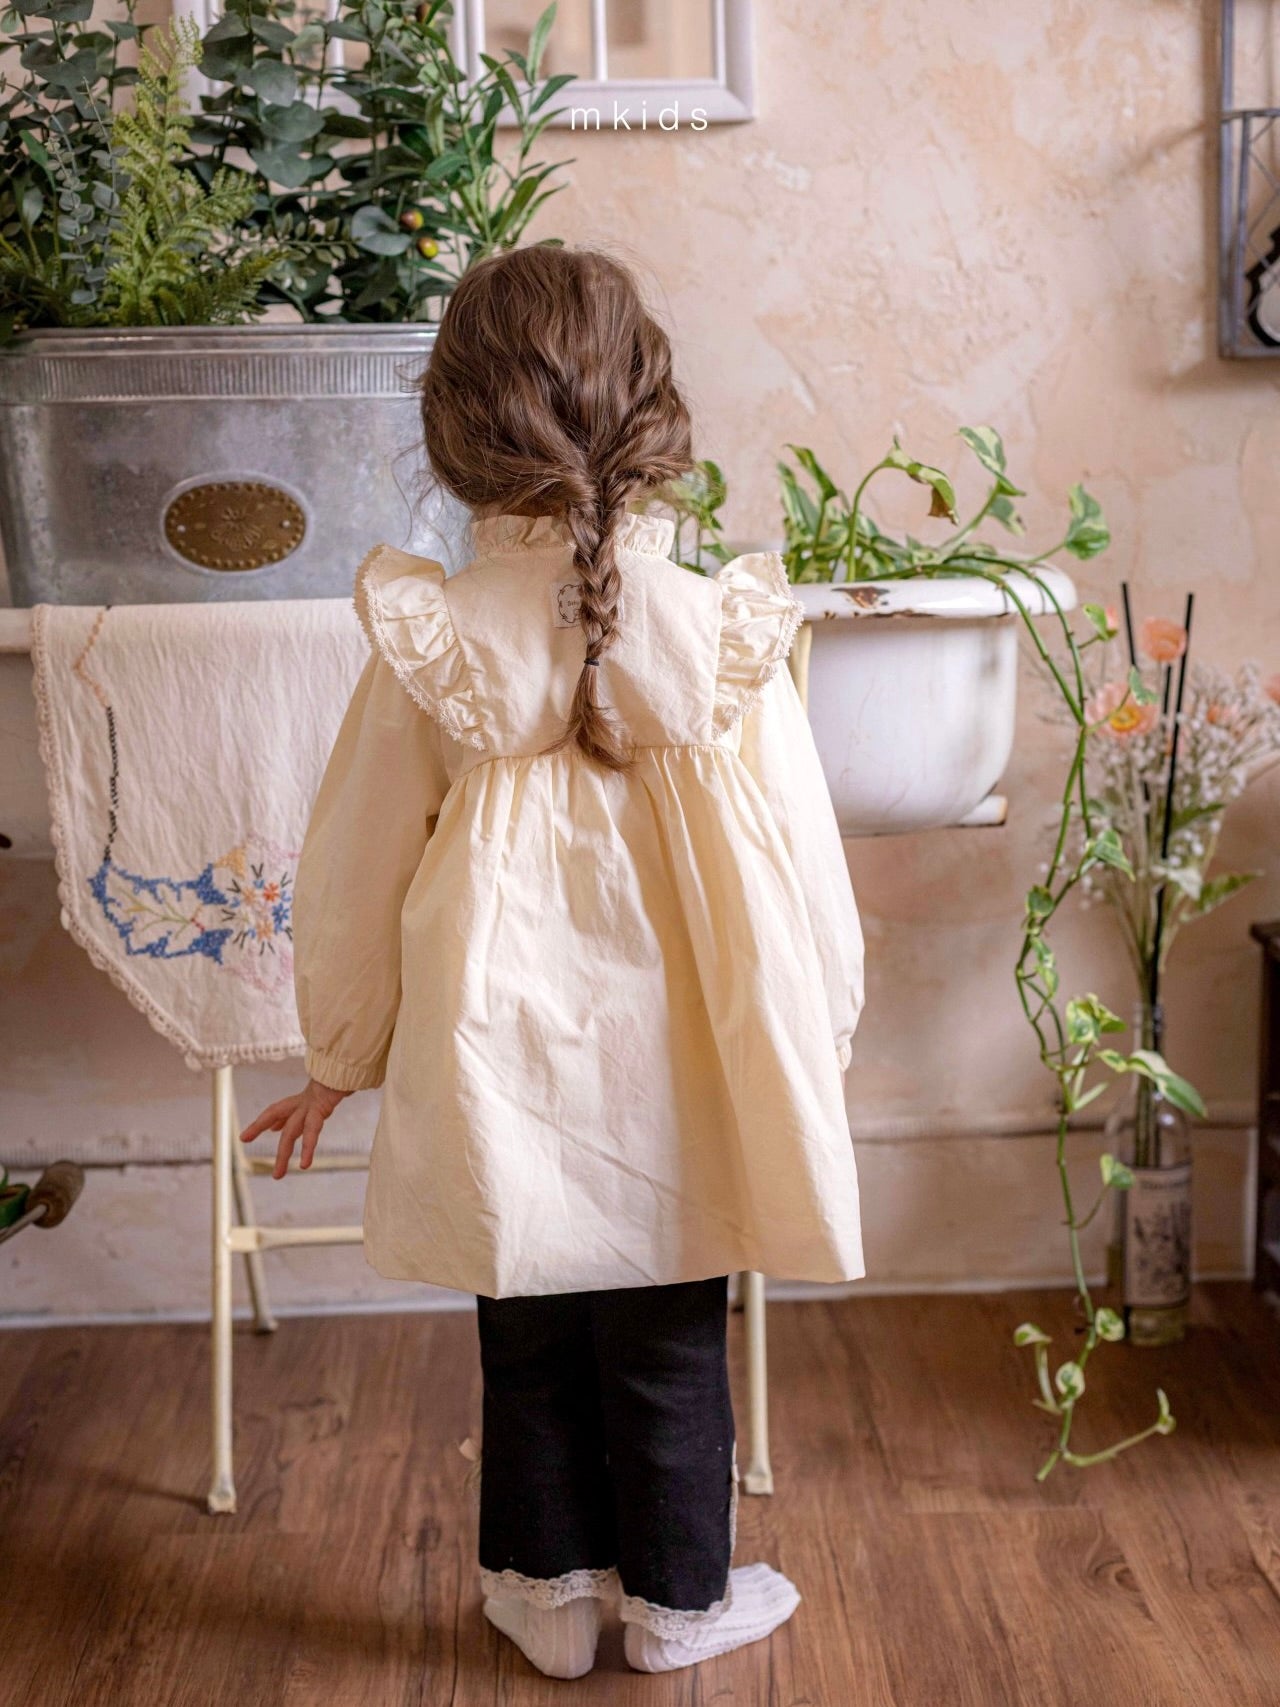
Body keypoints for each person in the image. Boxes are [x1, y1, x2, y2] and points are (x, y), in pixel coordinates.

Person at [239, 245, 865, 1679]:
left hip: (499, 1064)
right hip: (684, 1074)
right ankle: (679, 1603)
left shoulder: (438, 640)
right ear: (652, 410)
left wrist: (340, 1055)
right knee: (671, 1334)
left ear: (456, 431)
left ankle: (544, 1596)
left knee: (522, 1330)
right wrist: (820, 1029)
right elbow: (804, 866)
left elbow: (355, 863)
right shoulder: (715, 632)